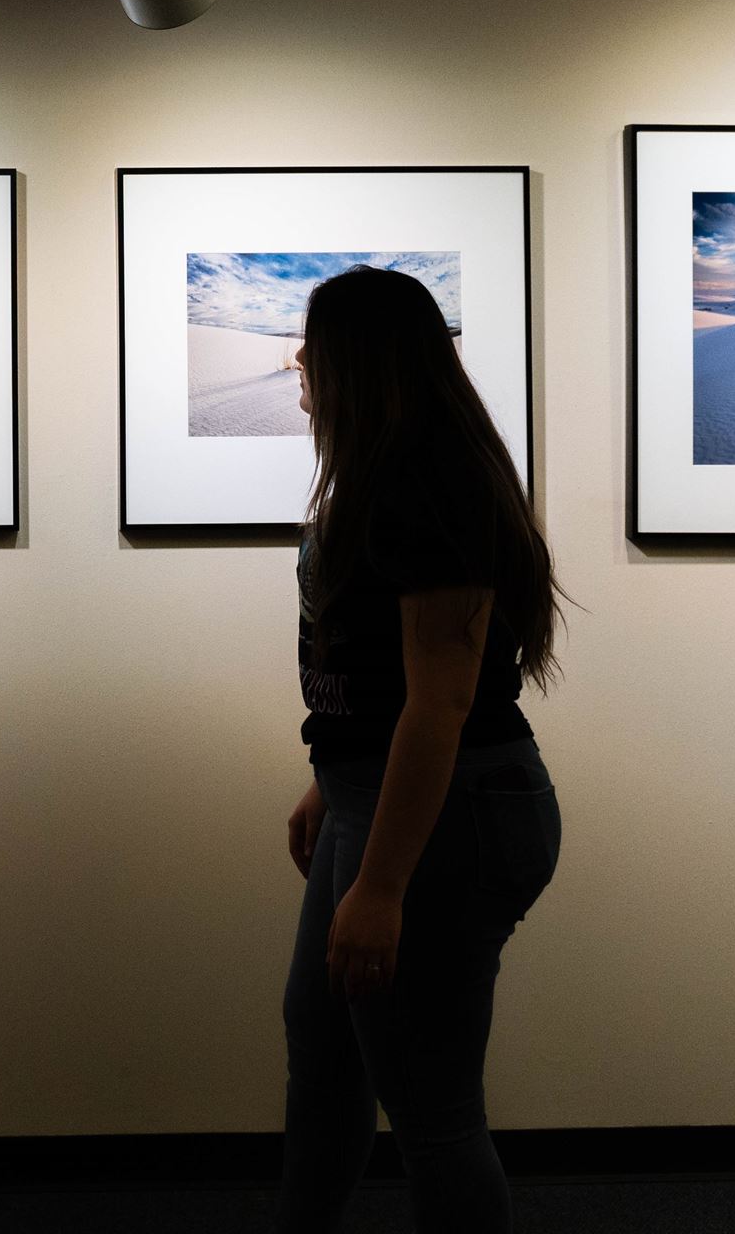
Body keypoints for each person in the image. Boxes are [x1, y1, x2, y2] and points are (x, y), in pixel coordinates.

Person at [278, 266, 564, 1234]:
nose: (297, 365)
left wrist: (385, 886)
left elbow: (442, 699)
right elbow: (383, 679)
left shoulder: (427, 487)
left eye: (311, 347)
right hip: (384, 799)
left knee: (432, 1109)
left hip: (453, 817)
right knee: (323, 1049)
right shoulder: (382, 476)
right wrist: (331, 776)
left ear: (357, 360)